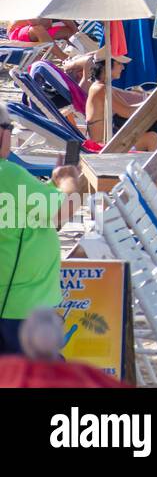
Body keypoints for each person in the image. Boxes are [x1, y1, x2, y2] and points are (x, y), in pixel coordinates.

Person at [1, 103, 81, 355]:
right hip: (17, 310)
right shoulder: (8, 174)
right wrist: (68, 180)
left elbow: (25, 209)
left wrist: (51, 185)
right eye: (9, 127)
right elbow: (62, 212)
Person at [86, 52, 157, 150]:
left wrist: (153, 102)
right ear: (107, 65)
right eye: (119, 63)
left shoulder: (103, 87)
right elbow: (127, 112)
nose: (123, 67)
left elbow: (128, 108)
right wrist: (153, 103)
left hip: (111, 138)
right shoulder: (100, 89)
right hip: (103, 145)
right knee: (151, 138)